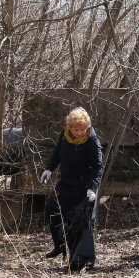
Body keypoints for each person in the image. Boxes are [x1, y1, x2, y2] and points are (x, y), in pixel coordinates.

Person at [40, 107, 103, 267]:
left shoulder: (92, 141)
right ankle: (59, 246)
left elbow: (97, 167)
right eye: (76, 129)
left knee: (79, 223)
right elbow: (57, 154)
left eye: (83, 129)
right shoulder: (65, 136)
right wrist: (49, 168)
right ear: (69, 127)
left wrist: (92, 188)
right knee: (52, 210)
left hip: (84, 188)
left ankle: (80, 261)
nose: (79, 133)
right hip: (66, 183)